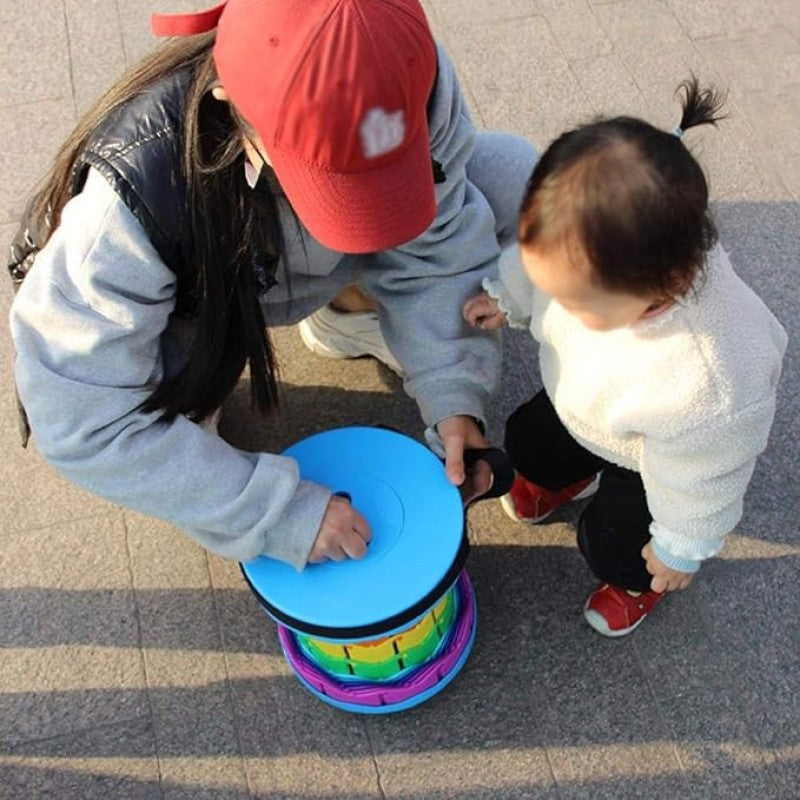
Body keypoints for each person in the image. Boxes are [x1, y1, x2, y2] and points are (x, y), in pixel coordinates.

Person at [7, 0, 536, 571]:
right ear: (230, 102)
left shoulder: (404, 74)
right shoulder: (128, 209)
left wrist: (455, 396)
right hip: (196, 308)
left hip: (282, 264)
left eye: (382, 172)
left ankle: (348, 313)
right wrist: (273, 512)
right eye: (332, 181)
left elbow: (441, 243)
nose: (365, 219)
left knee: (512, 177)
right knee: (161, 438)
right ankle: (198, 412)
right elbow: (79, 419)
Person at [462, 78, 787, 636]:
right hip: (587, 398)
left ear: (670, 281)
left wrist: (681, 545)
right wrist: (509, 294)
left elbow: (707, 475)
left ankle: (636, 584)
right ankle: (556, 478)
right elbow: (535, 261)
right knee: (529, 438)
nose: (556, 298)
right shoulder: (586, 249)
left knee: (616, 541)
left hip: (654, 457)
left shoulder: (712, 383)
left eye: (575, 300)